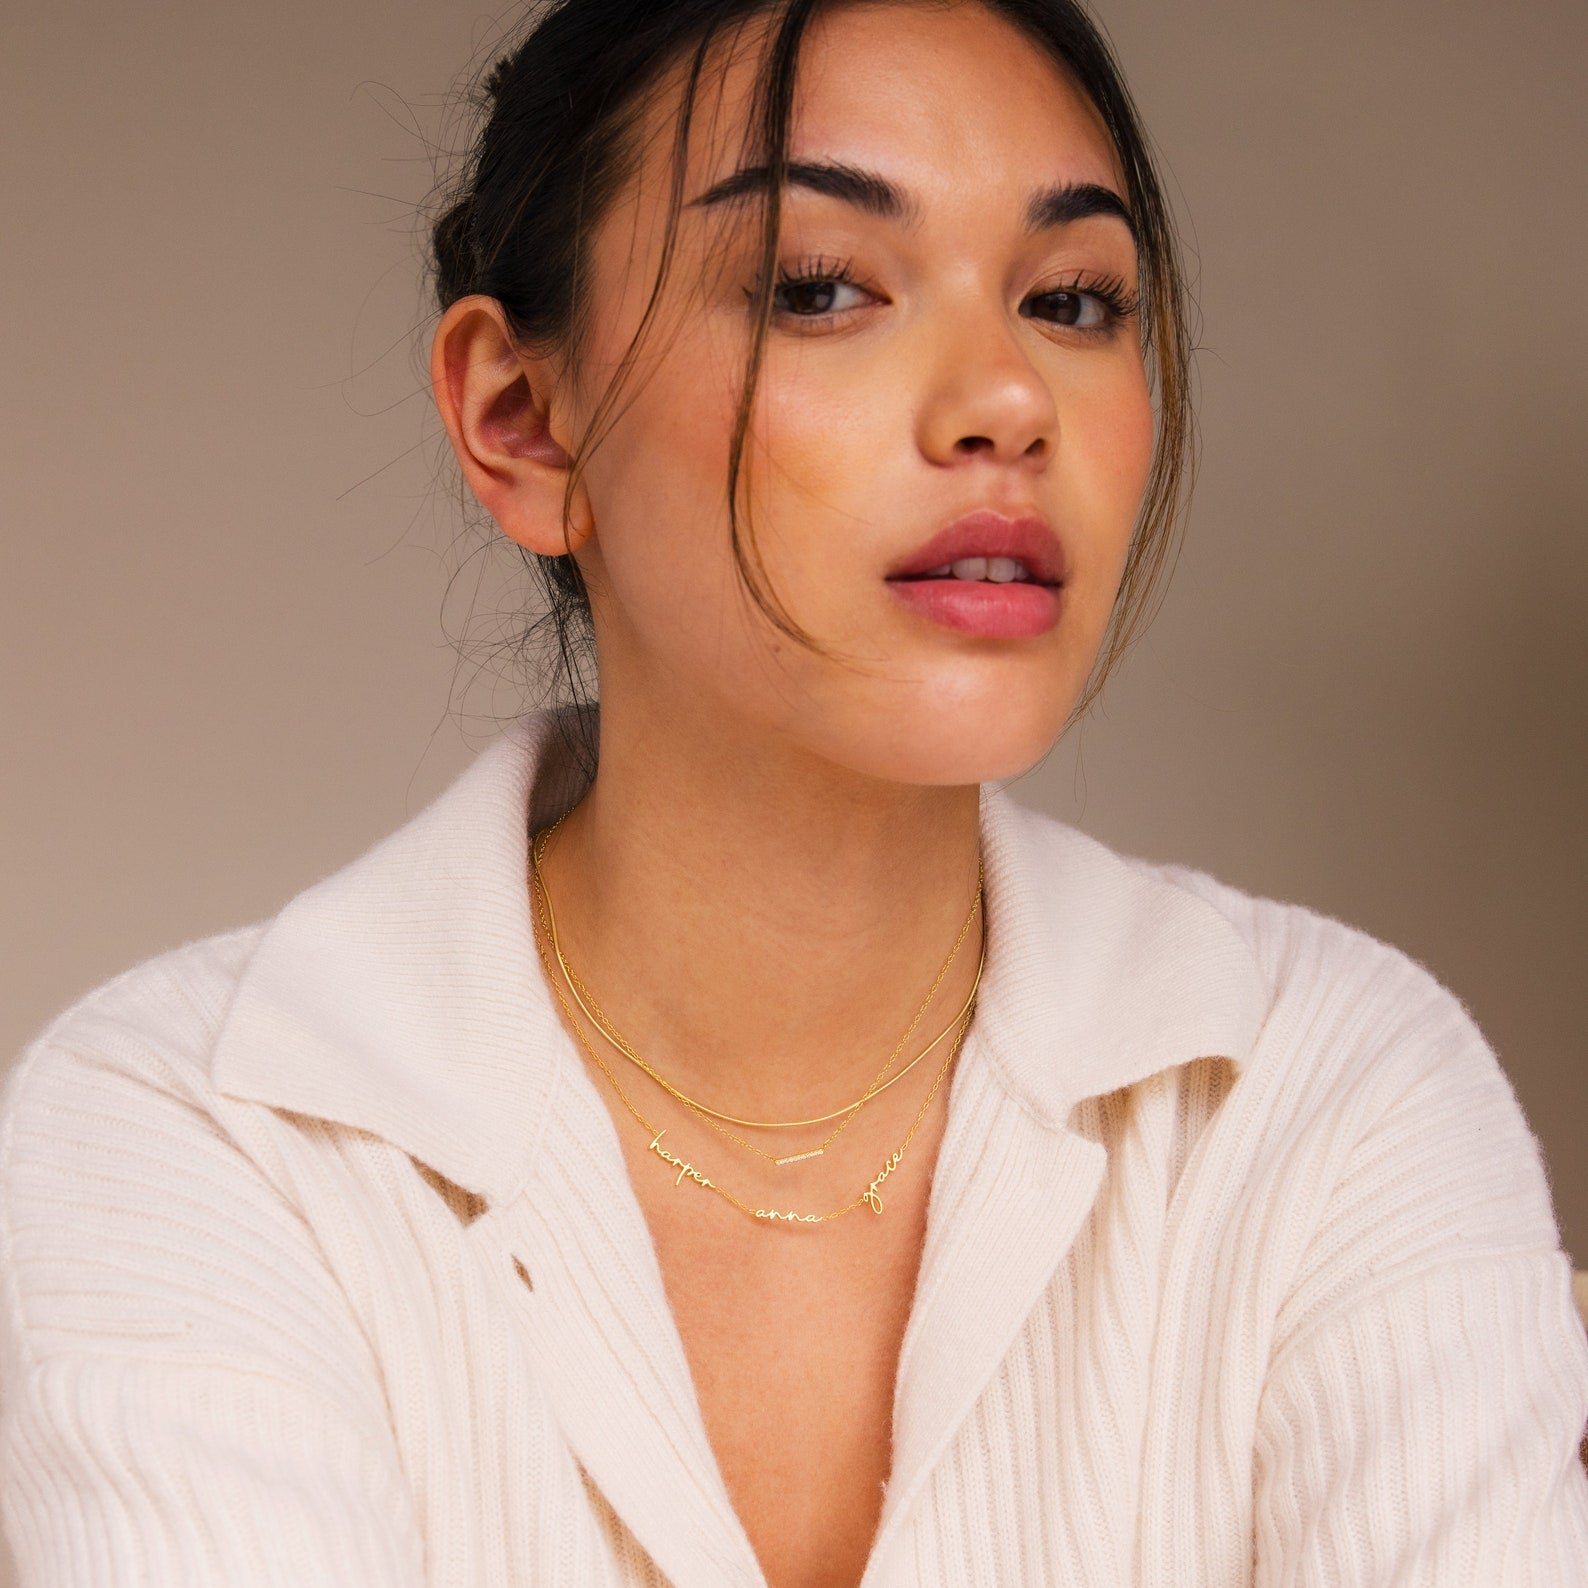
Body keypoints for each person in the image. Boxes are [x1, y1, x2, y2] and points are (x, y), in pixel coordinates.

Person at [2, 0, 1586, 1582]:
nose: (1007, 400)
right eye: (823, 288)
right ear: (522, 421)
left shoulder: (1330, 1097)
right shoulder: (193, 1138)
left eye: (1075, 300)